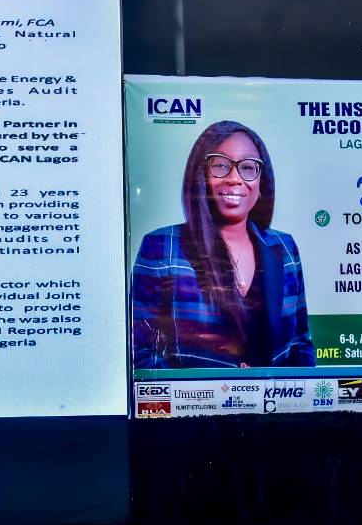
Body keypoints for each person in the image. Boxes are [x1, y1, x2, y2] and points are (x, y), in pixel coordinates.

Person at [131, 120, 314, 368]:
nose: (234, 178)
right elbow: (140, 353)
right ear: (201, 176)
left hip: (274, 394)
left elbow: (301, 346)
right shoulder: (161, 248)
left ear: (261, 183)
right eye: (220, 166)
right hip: (193, 395)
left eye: (248, 167)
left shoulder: (285, 247)